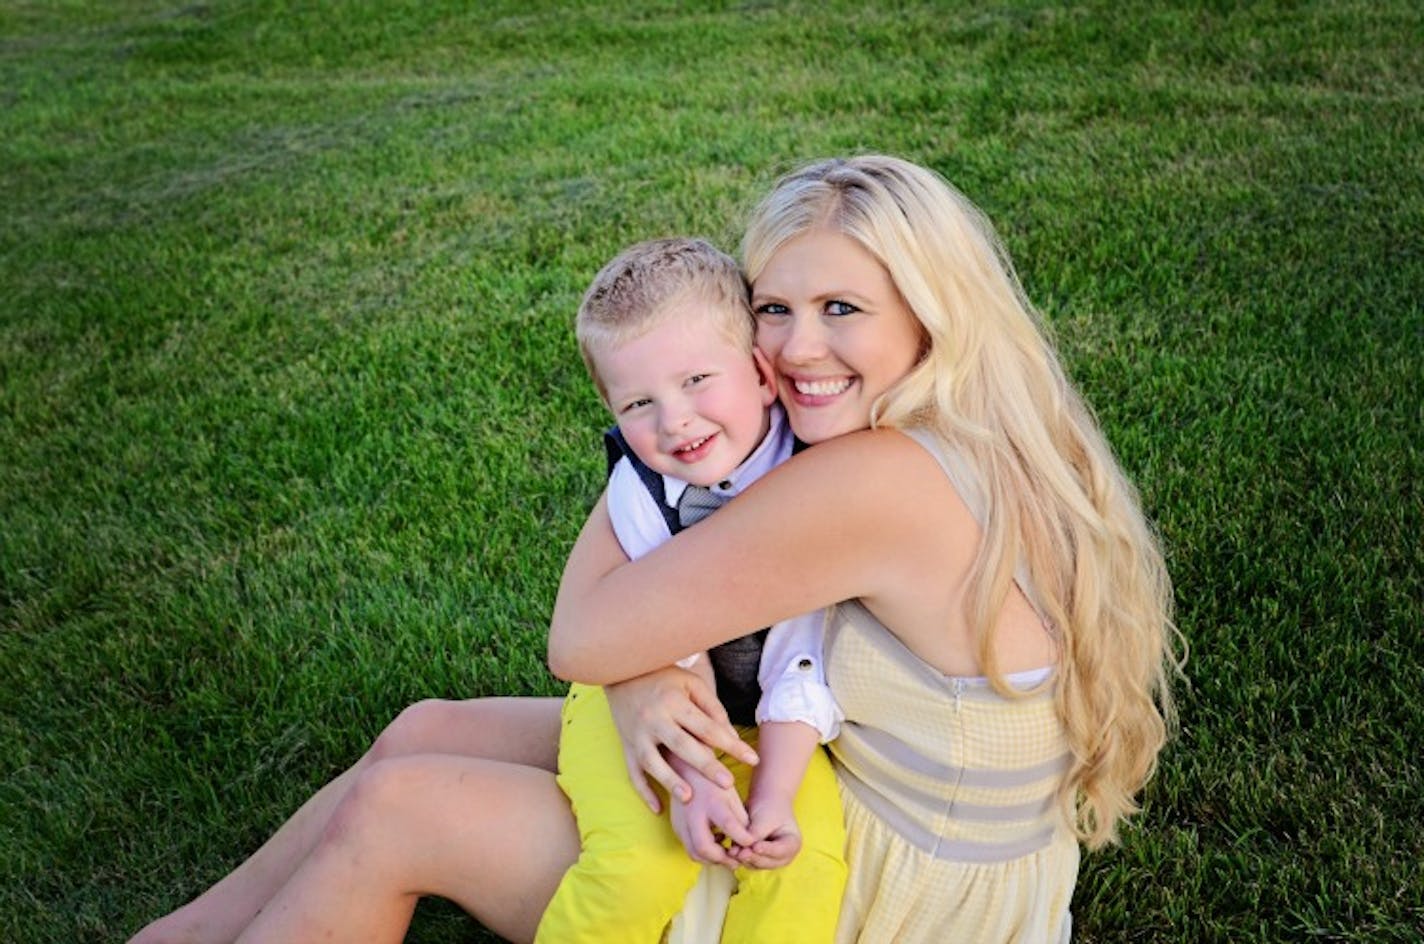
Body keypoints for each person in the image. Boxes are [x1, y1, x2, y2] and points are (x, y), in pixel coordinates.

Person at [130, 155, 1179, 944]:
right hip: (890, 817)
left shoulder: (867, 481)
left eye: (841, 309)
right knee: (424, 730)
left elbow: (584, 630)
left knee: (400, 810)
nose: (795, 350)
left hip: (869, 889)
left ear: (931, 318)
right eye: (771, 308)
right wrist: (645, 666)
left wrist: (647, 462)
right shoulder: (976, 426)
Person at [536, 236, 846, 943]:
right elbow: (668, 644)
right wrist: (698, 777)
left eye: (698, 380)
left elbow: (803, 647)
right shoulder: (643, 492)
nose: (673, 420)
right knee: (639, 866)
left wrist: (772, 793)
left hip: (776, 717)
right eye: (639, 402)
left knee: (804, 865)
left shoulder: (818, 477)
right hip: (637, 696)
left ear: (765, 376)